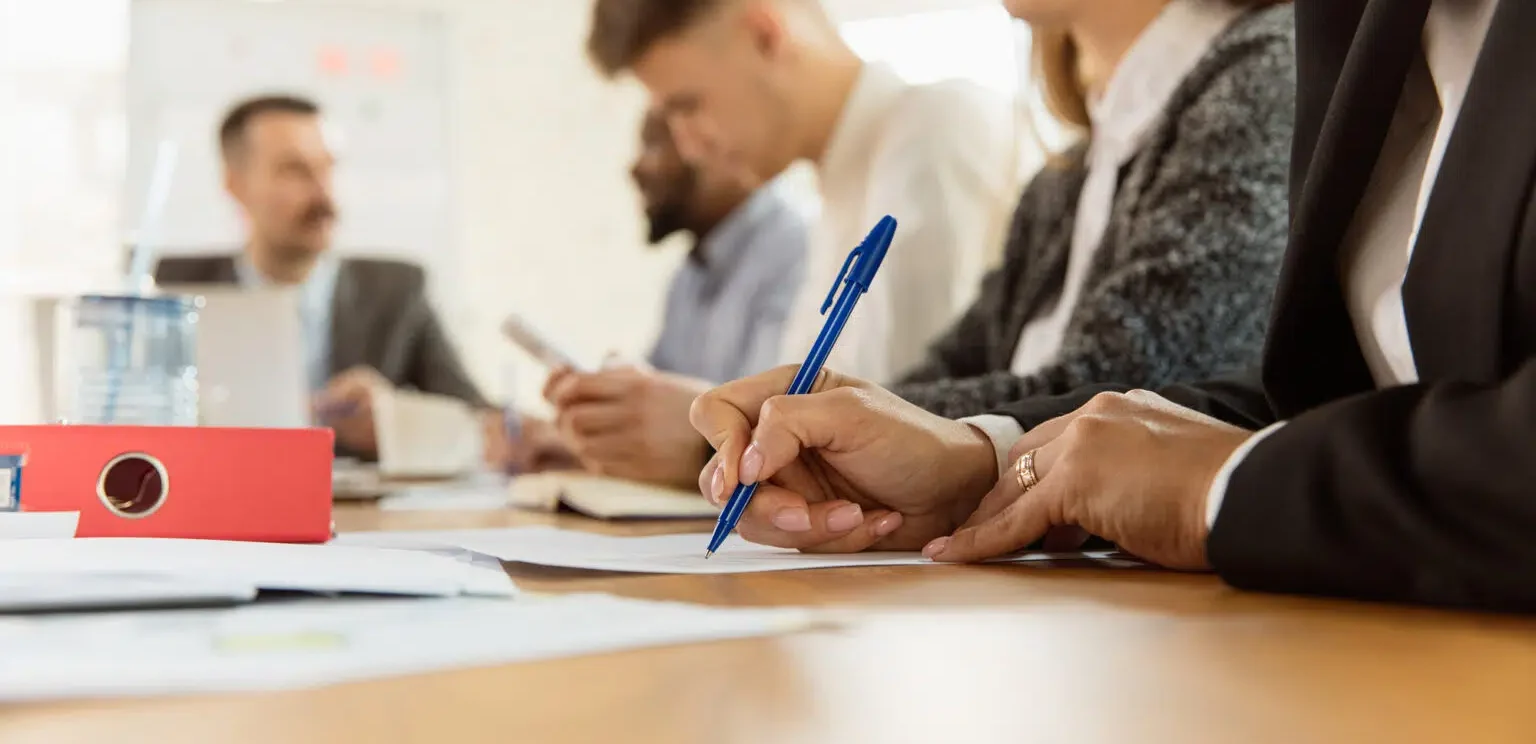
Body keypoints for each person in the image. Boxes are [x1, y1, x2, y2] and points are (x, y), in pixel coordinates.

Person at [690, 0, 1536, 613]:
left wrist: (1228, 484)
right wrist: (985, 461)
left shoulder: (1259, 66)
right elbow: (1338, 391)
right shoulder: (1349, 28)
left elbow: (1161, 373)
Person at [587, 0, 1021, 385]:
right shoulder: (837, 192)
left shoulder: (935, 131)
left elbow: (901, 414)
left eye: (688, 107)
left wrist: (697, 431)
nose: (688, 147)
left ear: (766, 37)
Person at [894, 0, 1292, 419]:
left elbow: (1116, 401)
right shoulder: (1066, 179)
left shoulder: (1266, 80)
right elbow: (957, 363)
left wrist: (863, 418)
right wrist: (849, 410)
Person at [155, 95, 493, 460]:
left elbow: (480, 420)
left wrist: (396, 422)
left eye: (328, 168)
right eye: (295, 170)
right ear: (236, 185)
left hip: (360, 514)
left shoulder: (398, 291)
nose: (323, 193)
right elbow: (141, 422)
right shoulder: (178, 293)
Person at [516, 110, 810, 482]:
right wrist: (592, 433)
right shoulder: (689, 275)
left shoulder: (801, 249)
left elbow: (777, 419)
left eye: (654, 145)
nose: (635, 168)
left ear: (718, 147)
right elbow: (661, 408)